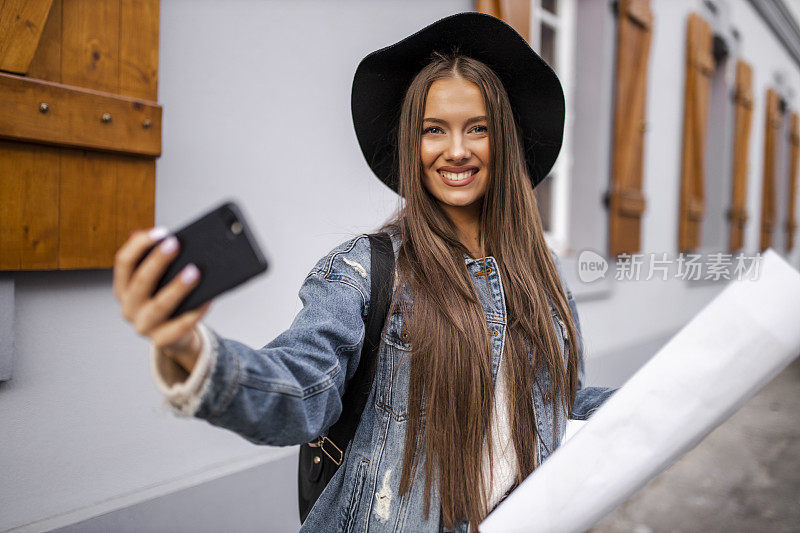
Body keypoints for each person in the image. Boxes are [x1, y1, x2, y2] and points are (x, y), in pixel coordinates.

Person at [113, 12, 615, 533]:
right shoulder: (365, 271)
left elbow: (556, 403)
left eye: (478, 129)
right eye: (434, 130)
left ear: (503, 142)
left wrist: (677, 383)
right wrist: (193, 352)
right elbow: (302, 385)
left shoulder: (542, 276)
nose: (457, 150)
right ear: (411, 144)